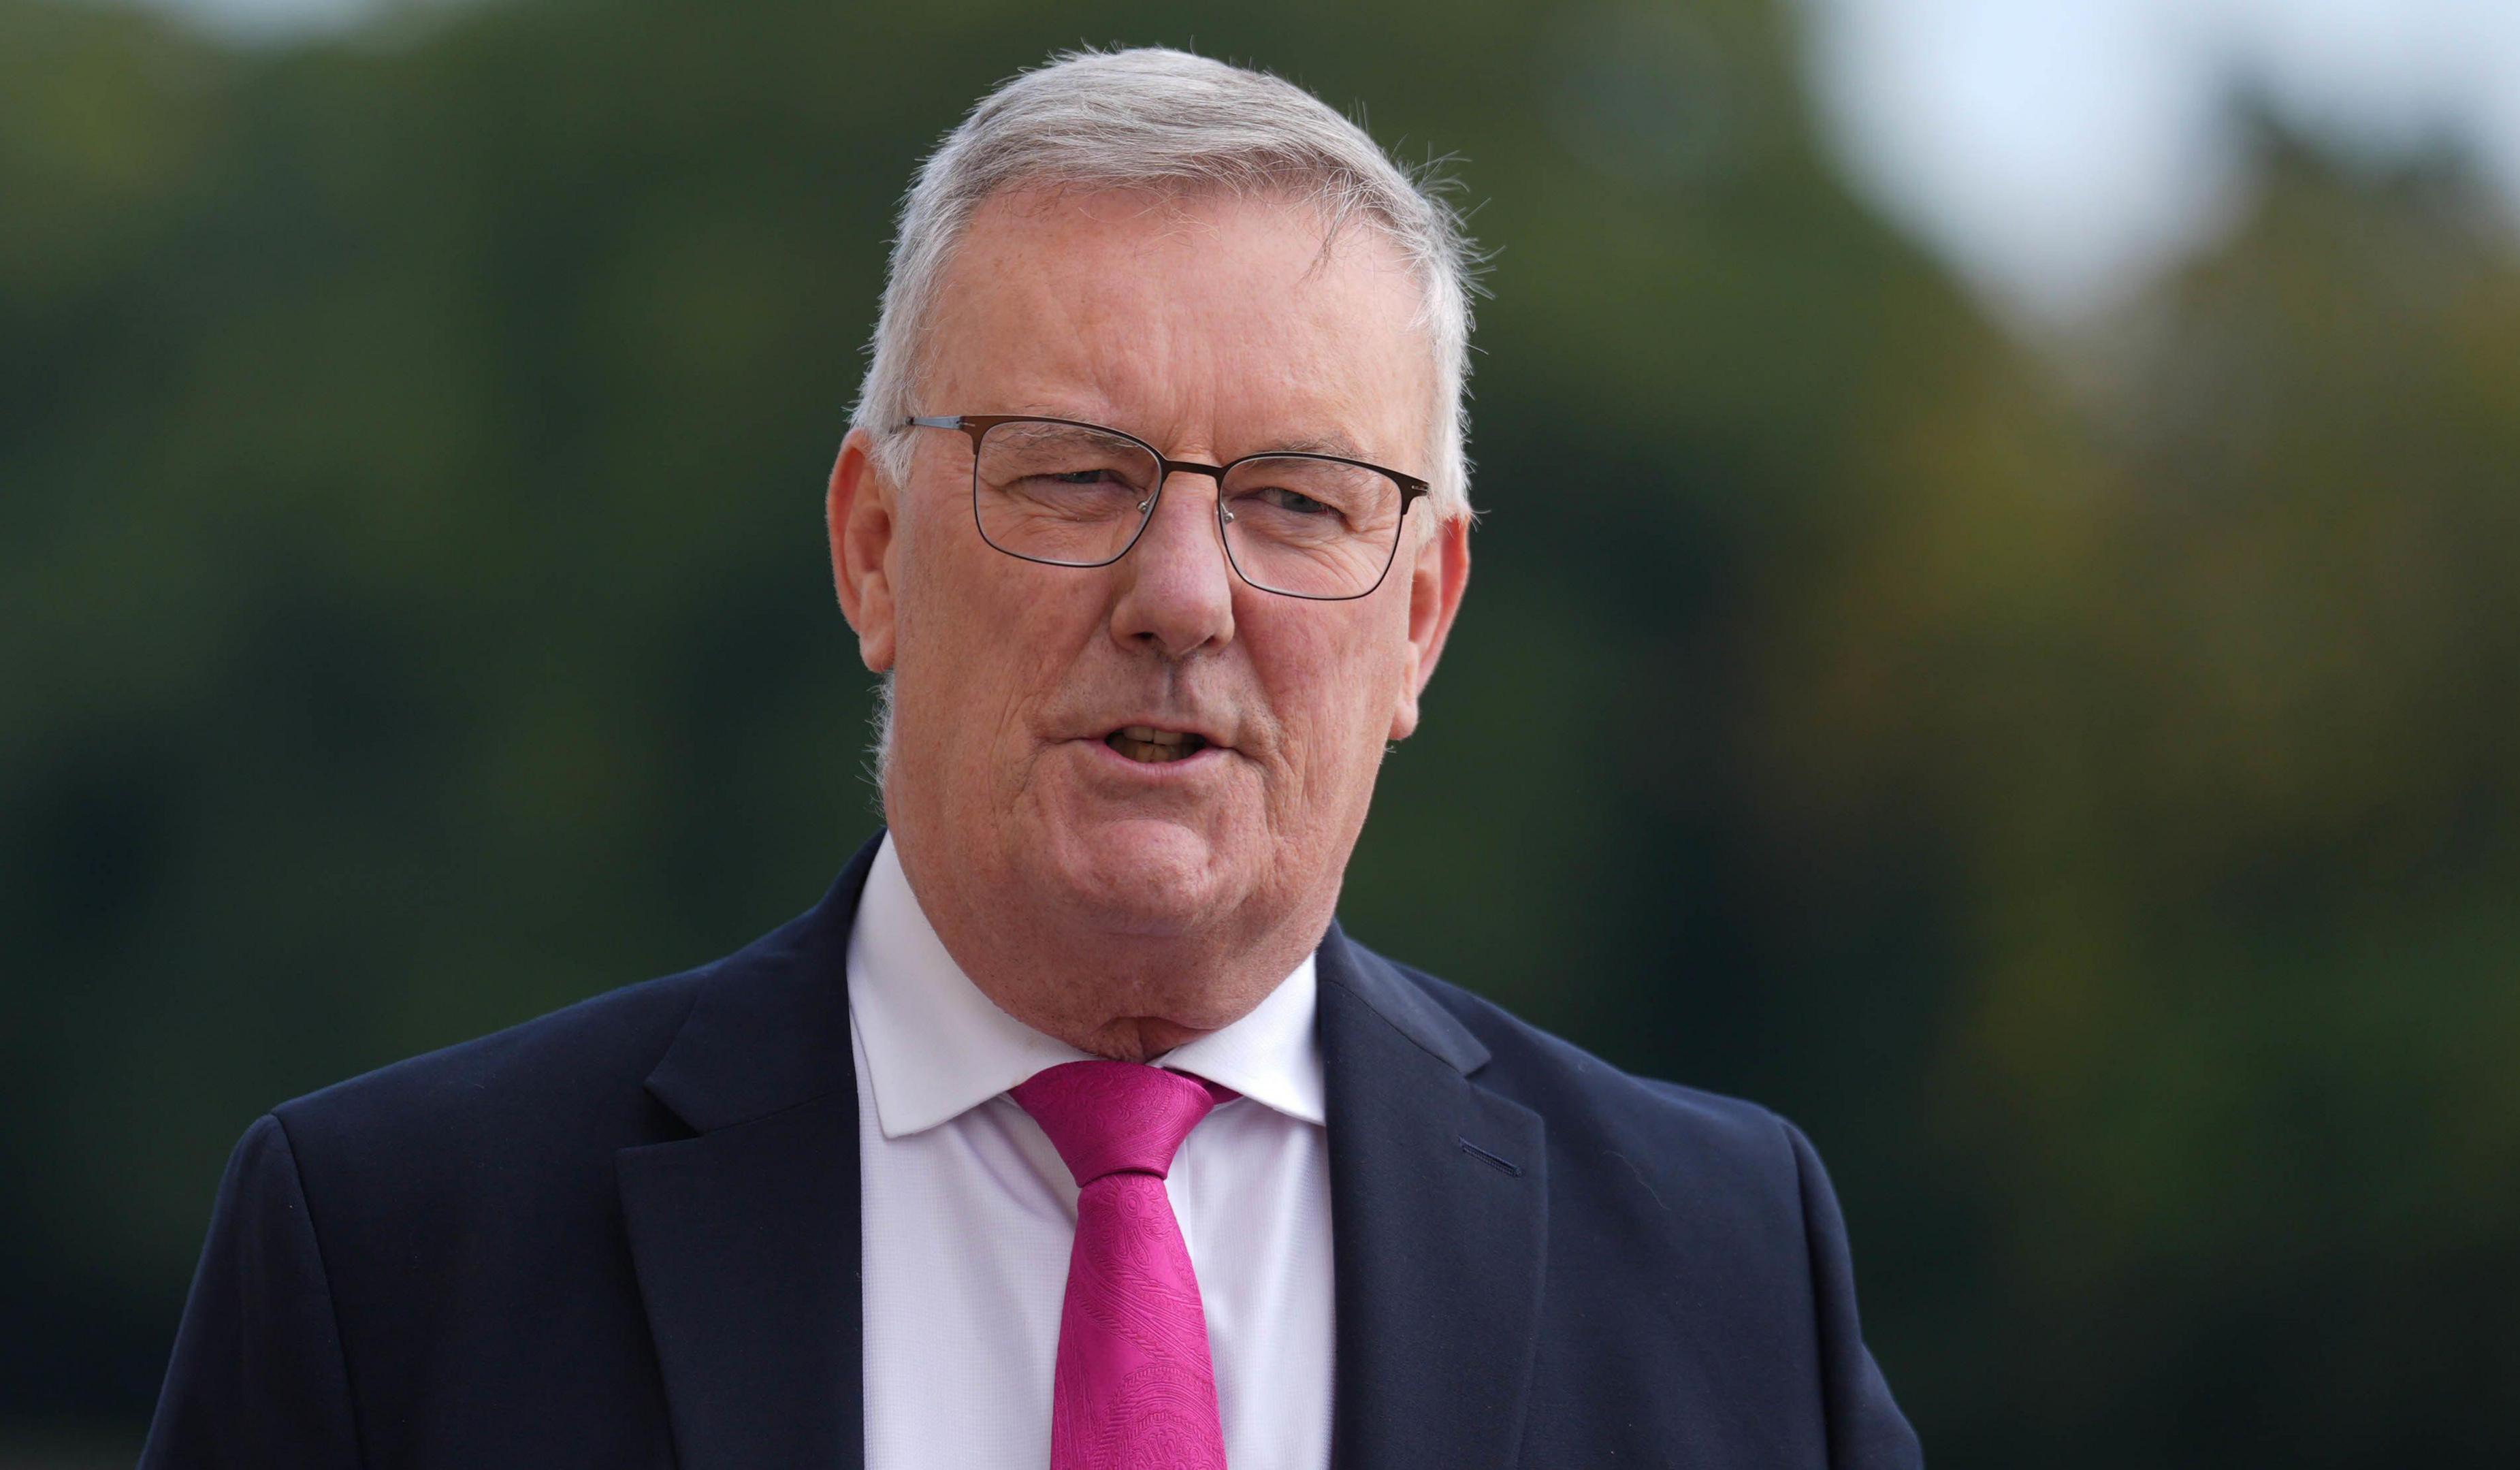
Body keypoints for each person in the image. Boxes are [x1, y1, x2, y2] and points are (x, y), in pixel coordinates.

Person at [140, 46, 1921, 1470]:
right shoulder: (392, 1259)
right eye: (1076, 473)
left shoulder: (1722, 1263)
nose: (1180, 594)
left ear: (1425, 619)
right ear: (871, 546)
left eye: (1299, 502)